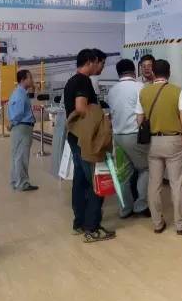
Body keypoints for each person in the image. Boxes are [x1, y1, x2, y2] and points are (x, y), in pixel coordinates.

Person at [136, 59, 182, 235]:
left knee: (154, 184)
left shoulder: (144, 92)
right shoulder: (177, 91)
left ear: (153, 72)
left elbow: (139, 119)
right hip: (174, 141)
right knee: (177, 183)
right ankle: (181, 224)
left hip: (153, 142)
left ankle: (157, 223)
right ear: (169, 73)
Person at [64, 49, 115, 243]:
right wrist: (100, 119)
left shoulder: (71, 81)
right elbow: (81, 108)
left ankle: (79, 223)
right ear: (91, 61)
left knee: (80, 180)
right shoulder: (83, 81)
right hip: (85, 139)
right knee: (96, 179)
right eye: (101, 63)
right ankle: (92, 227)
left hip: (75, 137)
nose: (101, 67)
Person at [107, 59, 151, 218]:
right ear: (134, 71)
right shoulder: (140, 87)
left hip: (118, 136)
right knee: (145, 168)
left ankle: (125, 209)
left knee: (124, 174)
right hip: (135, 135)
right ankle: (141, 205)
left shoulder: (112, 90)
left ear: (119, 73)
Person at [7, 69, 38, 192]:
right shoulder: (20, 94)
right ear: (23, 80)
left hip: (19, 128)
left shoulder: (17, 92)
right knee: (22, 156)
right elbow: (19, 113)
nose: (32, 80)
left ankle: (15, 181)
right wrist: (12, 123)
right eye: (30, 77)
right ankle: (22, 184)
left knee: (16, 156)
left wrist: (12, 123)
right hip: (23, 128)